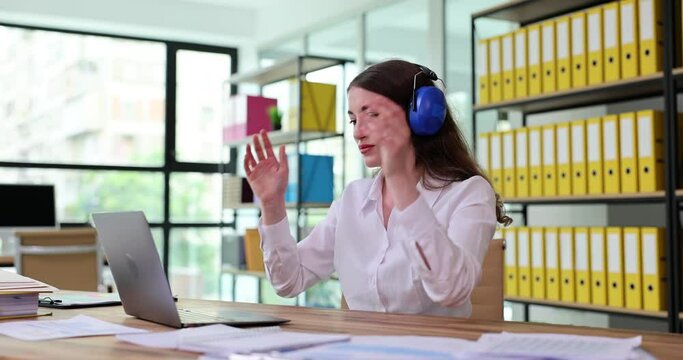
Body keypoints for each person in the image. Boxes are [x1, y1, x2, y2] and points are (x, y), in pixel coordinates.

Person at [243, 59, 512, 317]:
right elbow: (289, 281)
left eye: (372, 114)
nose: (358, 132)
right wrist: (272, 205)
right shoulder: (353, 198)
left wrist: (402, 184)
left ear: (421, 115)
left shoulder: (469, 193)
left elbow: (451, 289)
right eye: (353, 120)